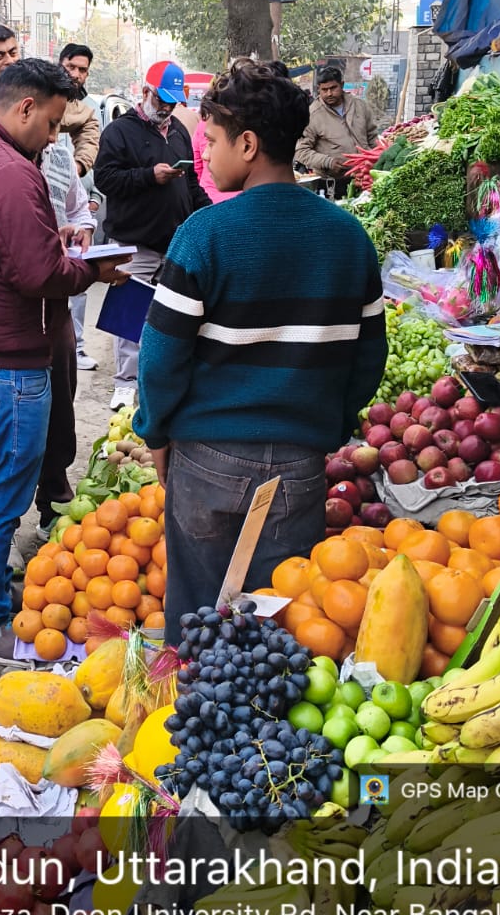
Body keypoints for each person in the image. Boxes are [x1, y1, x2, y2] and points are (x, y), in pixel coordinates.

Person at [133, 66, 386, 644]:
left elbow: (160, 358)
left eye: (211, 139)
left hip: (208, 462)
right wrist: (327, 425)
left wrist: (156, 433)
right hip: (300, 468)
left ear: (247, 144)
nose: (204, 152)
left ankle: (188, 699)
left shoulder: (204, 234)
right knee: (274, 628)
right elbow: (369, 358)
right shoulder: (348, 237)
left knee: (195, 624)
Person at [0, 59, 130, 664]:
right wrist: (91, 271)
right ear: (25, 107)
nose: (52, 137)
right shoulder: (10, 171)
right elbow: (37, 274)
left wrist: (54, 244)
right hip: (8, 362)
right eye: (50, 123)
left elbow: (8, 252)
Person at [93, 59, 209, 410]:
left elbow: (191, 183)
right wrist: (148, 176)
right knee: (129, 313)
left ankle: (157, 380)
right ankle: (125, 382)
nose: (167, 109)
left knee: (168, 315)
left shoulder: (179, 133)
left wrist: (208, 213)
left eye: (173, 103)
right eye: (161, 100)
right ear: (145, 92)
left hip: (172, 241)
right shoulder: (120, 132)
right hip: (135, 242)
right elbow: (105, 179)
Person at [35, 132, 97, 538]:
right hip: (17, 312)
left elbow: (78, 207)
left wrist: (83, 229)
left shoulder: (58, 156)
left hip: (57, 307)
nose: (55, 133)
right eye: (51, 120)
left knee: (61, 406)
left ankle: (53, 501)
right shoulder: (1, 163)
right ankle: (3, 527)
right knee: (15, 426)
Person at [295, 64, 378, 194]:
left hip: (365, 177)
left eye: (333, 88)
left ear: (342, 85)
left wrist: (377, 161)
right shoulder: (312, 115)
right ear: (318, 89)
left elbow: (372, 137)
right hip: (332, 183)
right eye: (324, 90)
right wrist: (328, 162)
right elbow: (301, 151)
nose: (329, 93)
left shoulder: (360, 106)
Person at [70, 170, 104, 370]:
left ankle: (77, 348)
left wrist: (95, 200)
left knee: (79, 290)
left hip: (80, 227)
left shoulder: (76, 160)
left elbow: (95, 181)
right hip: (55, 225)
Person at [57, 42, 101, 173]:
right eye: (71, 67)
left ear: (87, 74)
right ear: (59, 66)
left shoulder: (92, 109)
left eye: (82, 70)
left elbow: (91, 141)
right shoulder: (42, 97)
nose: (75, 75)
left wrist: (79, 166)